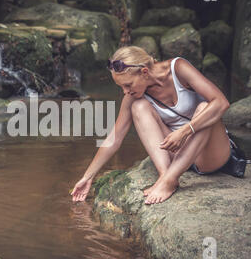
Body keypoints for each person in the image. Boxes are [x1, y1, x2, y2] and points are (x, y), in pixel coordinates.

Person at [70, 46, 231, 205]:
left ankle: (169, 181)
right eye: (121, 87)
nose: (125, 91)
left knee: (205, 108)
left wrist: (185, 131)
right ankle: (165, 174)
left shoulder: (178, 69)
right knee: (138, 107)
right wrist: (87, 177)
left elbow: (222, 102)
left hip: (209, 156)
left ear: (144, 72)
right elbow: (115, 137)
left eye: (128, 85)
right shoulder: (133, 96)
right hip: (178, 155)